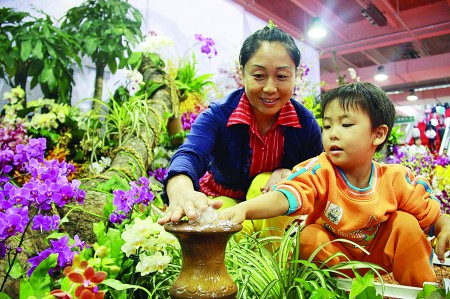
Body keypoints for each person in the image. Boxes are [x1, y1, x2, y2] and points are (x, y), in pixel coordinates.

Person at [220, 82, 450, 287]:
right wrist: (245, 209)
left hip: (378, 255)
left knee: (407, 223)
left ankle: (424, 290)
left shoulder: (396, 178)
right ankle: (331, 291)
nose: (333, 134)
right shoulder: (320, 170)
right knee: (310, 236)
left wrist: (443, 226)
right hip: (336, 260)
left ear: (378, 134)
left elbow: (430, 214)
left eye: (346, 125)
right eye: (327, 126)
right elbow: (287, 194)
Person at [157, 24, 323, 240]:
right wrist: (180, 188)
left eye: (282, 76)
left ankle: (272, 267)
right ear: (242, 73)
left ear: (294, 77)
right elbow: (190, 154)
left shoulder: (305, 124)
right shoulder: (218, 116)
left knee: (275, 184)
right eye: (259, 75)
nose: (270, 88)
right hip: (222, 199)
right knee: (221, 227)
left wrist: (295, 172)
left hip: (272, 212)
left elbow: (320, 174)